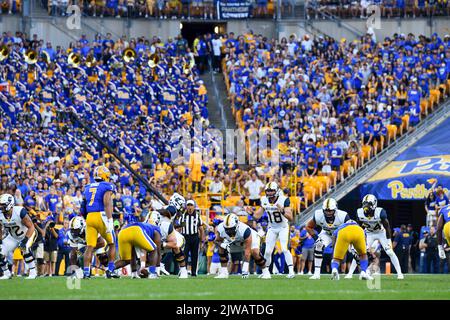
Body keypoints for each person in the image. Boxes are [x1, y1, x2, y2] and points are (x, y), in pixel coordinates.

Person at [346, 194, 404, 279]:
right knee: (359, 252)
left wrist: (388, 240)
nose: (366, 206)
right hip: (369, 233)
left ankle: (399, 273)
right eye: (365, 204)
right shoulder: (359, 212)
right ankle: (350, 273)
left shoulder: (380, 212)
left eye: (368, 204)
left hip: (381, 233)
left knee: (390, 252)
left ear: (374, 204)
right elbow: (358, 228)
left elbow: (387, 226)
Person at [248, 182, 295, 278]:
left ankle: (291, 272)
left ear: (277, 190)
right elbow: (257, 216)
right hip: (272, 228)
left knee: (285, 249)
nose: (269, 193)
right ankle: (266, 272)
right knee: (267, 251)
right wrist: (251, 213)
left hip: (283, 227)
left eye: (271, 191)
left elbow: (290, 218)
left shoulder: (284, 200)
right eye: (268, 191)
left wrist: (282, 210)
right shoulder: (264, 200)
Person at [81, 165, 118, 279]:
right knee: (112, 243)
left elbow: (82, 208)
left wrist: (87, 219)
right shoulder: (107, 185)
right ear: (104, 176)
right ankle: (110, 270)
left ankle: (86, 272)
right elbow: (107, 202)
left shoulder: (87, 187)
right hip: (101, 215)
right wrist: (110, 219)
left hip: (90, 217)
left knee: (90, 246)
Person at [214, 213, 271, 279]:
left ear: (236, 225)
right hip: (235, 240)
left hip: (251, 237)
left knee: (255, 253)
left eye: (231, 229)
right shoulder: (220, 228)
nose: (229, 231)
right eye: (227, 229)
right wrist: (223, 245)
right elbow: (217, 240)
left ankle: (266, 272)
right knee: (221, 249)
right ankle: (224, 273)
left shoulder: (245, 230)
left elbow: (247, 252)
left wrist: (245, 270)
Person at [306, 198, 350, 280]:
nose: (328, 213)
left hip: (340, 234)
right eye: (326, 210)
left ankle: (353, 272)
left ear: (335, 209)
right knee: (318, 245)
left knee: (342, 252)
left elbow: (350, 229)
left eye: (330, 211)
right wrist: (316, 238)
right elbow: (308, 227)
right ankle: (316, 274)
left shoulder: (343, 216)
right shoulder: (318, 215)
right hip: (326, 233)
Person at [0, 194, 38, 279]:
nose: (1, 206)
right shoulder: (1, 215)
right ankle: (6, 273)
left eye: (3, 204)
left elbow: (31, 227)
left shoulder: (19, 211)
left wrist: (25, 240)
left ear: (10, 204)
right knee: (0, 251)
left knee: (24, 248)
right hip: (13, 237)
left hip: (28, 233)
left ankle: (33, 272)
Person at [147, 210, 188, 278]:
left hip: (173, 242)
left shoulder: (166, 226)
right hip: (159, 244)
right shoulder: (145, 226)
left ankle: (183, 270)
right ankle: (153, 270)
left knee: (177, 248)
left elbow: (174, 244)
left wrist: (162, 244)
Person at [180, 199, 204, 277]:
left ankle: (194, 272)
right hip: (185, 237)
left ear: (194, 207)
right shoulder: (182, 216)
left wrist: (202, 240)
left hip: (194, 237)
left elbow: (201, 229)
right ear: (186, 206)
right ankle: (184, 271)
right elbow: (179, 228)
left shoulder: (197, 216)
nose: (190, 207)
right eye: (188, 205)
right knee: (184, 255)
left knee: (195, 255)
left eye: (191, 205)